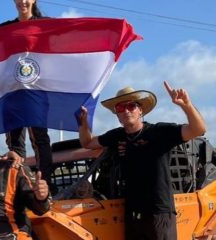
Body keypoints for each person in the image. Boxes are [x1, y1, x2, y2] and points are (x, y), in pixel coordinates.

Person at [78, 81, 206, 240]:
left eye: (131, 106)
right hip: (133, 214)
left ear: (140, 110)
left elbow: (198, 129)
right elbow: (87, 143)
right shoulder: (117, 136)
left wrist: (186, 105)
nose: (126, 111)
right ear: (117, 115)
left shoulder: (159, 132)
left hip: (159, 212)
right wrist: (83, 123)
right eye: (120, 108)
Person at [0, 0, 56, 194]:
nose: (23, 1)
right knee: (14, 142)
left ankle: (44, 185)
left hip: (37, 89)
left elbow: (64, 41)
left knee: (39, 139)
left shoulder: (45, 25)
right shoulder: (5, 29)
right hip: (12, 91)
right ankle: (20, 186)